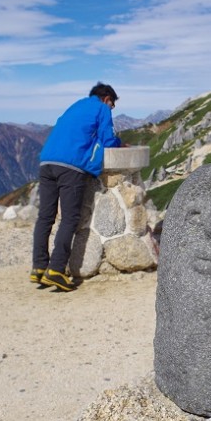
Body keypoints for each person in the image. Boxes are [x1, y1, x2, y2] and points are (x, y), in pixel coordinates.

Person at [31, 82, 122, 291]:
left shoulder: (76, 105)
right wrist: (120, 143)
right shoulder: (101, 108)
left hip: (46, 162)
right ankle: (56, 270)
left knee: (45, 216)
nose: (112, 109)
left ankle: (39, 268)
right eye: (112, 104)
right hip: (71, 166)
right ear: (107, 98)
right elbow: (108, 139)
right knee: (70, 218)